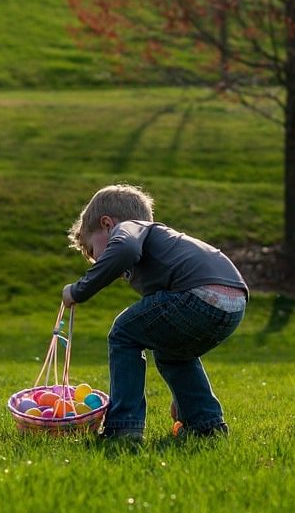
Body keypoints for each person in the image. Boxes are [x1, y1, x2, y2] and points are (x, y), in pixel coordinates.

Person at [61, 184, 248, 443]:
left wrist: (78, 290)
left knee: (123, 334)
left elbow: (123, 250)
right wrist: (181, 397)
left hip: (199, 292)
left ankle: (123, 429)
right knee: (172, 352)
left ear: (107, 224)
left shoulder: (128, 229)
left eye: (93, 252)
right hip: (233, 302)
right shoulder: (158, 247)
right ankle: (205, 426)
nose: (96, 262)